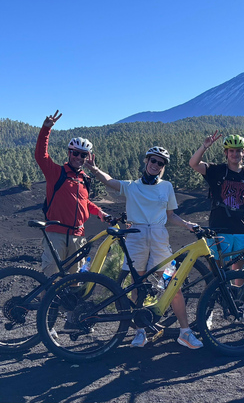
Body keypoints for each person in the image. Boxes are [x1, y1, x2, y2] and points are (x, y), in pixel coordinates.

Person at [85, 146, 203, 349]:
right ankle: (140, 332)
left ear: (163, 167)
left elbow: (170, 215)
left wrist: (187, 225)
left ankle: (185, 332)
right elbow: (110, 181)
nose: (156, 165)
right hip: (136, 236)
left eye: (160, 163)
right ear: (146, 161)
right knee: (137, 284)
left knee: (172, 283)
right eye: (153, 161)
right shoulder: (132, 186)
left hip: (158, 238)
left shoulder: (167, 186)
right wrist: (95, 170)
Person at [188, 132, 244, 327]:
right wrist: (205, 147)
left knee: (240, 273)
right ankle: (208, 313)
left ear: (243, 153)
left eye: (238, 151)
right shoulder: (216, 170)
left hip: (241, 231)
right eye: (231, 151)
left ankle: (240, 310)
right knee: (217, 275)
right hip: (220, 230)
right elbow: (193, 164)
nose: (235, 154)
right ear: (226, 153)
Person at [34, 110, 110, 276]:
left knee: (74, 281)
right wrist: (46, 129)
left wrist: (100, 212)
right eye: (75, 153)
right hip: (56, 234)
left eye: (83, 154)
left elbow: (85, 202)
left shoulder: (84, 179)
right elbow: (41, 156)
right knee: (50, 279)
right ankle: (45, 303)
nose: (78, 157)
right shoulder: (56, 173)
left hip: (78, 236)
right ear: (69, 153)